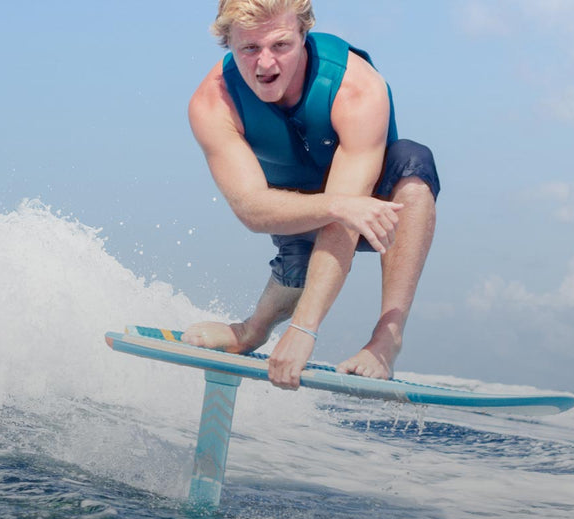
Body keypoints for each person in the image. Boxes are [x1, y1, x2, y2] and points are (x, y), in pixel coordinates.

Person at [182, 0, 439, 390]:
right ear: (228, 43)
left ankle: (386, 340)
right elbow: (251, 209)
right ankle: (253, 331)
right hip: (297, 207)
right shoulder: (213, 102)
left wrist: (305, 328)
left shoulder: (356, 87)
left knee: (414, 165)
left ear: (304, 34)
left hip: (376, 207)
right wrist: (336, 204)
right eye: (249, 49)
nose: (265, 65)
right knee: (297, 268)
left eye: (280, 46)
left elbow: (348, 219)